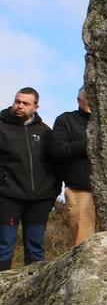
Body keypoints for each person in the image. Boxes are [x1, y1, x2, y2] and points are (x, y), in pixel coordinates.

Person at [0, 87, 60, 270]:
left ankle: (32, 294)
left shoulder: (45, 132)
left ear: (36, 106)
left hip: (40, 200)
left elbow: (56, 163)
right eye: (17, 101)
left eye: (25, 103)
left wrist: (53, 191)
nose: (19, 106)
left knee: (35, 250)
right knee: (3, 247)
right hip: (8, 197)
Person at [49, 86, 95, 245]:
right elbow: (57, 151)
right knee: (82, 243)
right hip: (80, 191)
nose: (90, 102)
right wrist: (87, 144)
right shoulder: (65, 120)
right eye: (87, 98)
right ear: (78, 100)